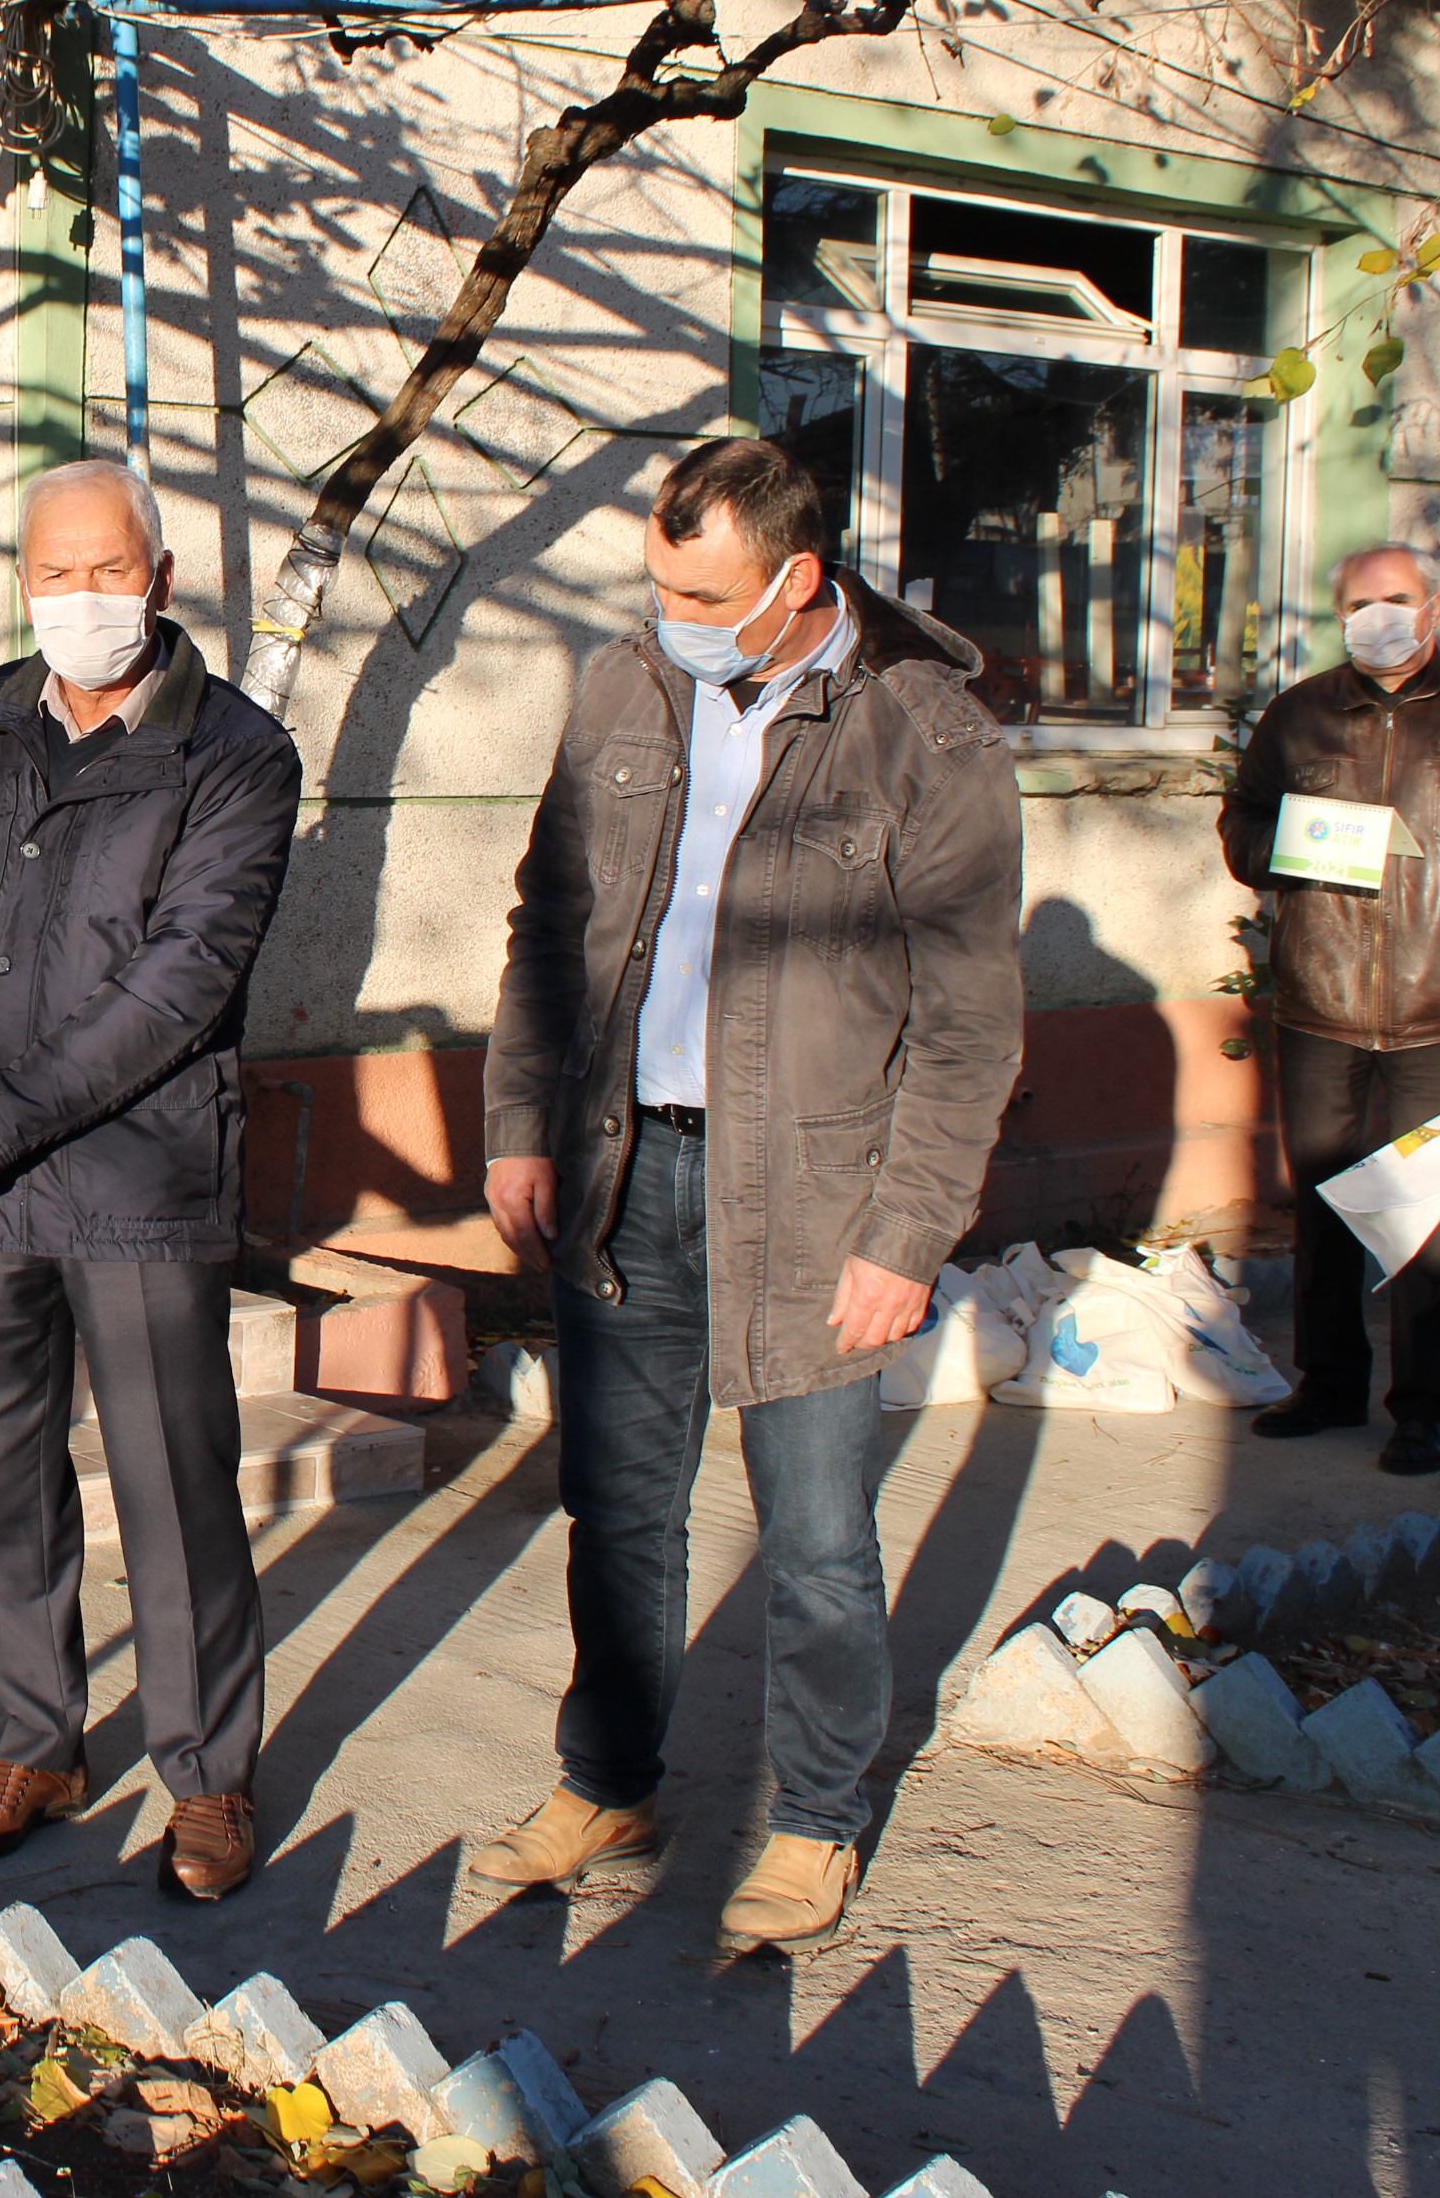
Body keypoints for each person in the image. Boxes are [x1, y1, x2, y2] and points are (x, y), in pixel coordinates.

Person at [473, 438, 1022, 1954]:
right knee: (616, 1508)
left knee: (822, 1538)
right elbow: (549, 919)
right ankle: (611, 1782)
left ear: (797, 581)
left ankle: (818, 1818)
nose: (669, 618)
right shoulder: (624, 687)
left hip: (818, 1196)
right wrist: (523, 1122)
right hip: (623, 1167)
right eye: (653, 586)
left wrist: (909, 1236)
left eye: (699, 594)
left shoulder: (927, 735)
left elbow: (971, 1021)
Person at [0, 460, 300, 1905]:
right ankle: (34, 1741)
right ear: (21, 585)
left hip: (136, 1168)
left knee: (172, 1483)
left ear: (163, 580)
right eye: (53, 575)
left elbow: (181, 981)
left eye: (106, 572)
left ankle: (206, 1775)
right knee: (1, 1472)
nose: (80, 600)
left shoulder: (238, 754)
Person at [1219, 543, 1440, 1477]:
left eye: (1397, 599)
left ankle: (1425, 1407)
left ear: (1434, 605)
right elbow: (1243, 829)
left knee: (1429, 1218)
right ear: (1338, 616)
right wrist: (1301, 843)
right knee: (1326, 1205)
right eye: (1358, 602)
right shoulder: (1300, 715)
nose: (1378, 616)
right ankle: (1329, 1384)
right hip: (1321, 999)